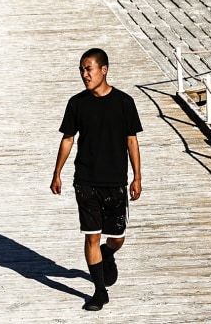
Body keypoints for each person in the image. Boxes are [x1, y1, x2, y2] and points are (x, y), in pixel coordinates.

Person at [51, 48, 143, 312]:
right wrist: (57, 173)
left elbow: (131, 140)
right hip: (86, 181)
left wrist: (137, 177)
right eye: (81, 69)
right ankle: (99, 292)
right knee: (91, 237)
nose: (84, 74)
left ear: (104, 70)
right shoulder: (76, 103)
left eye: (88, 69)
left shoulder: (124, 102)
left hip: (116, 182)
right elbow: (68, 139)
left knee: (117, 237)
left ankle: (109, 253)